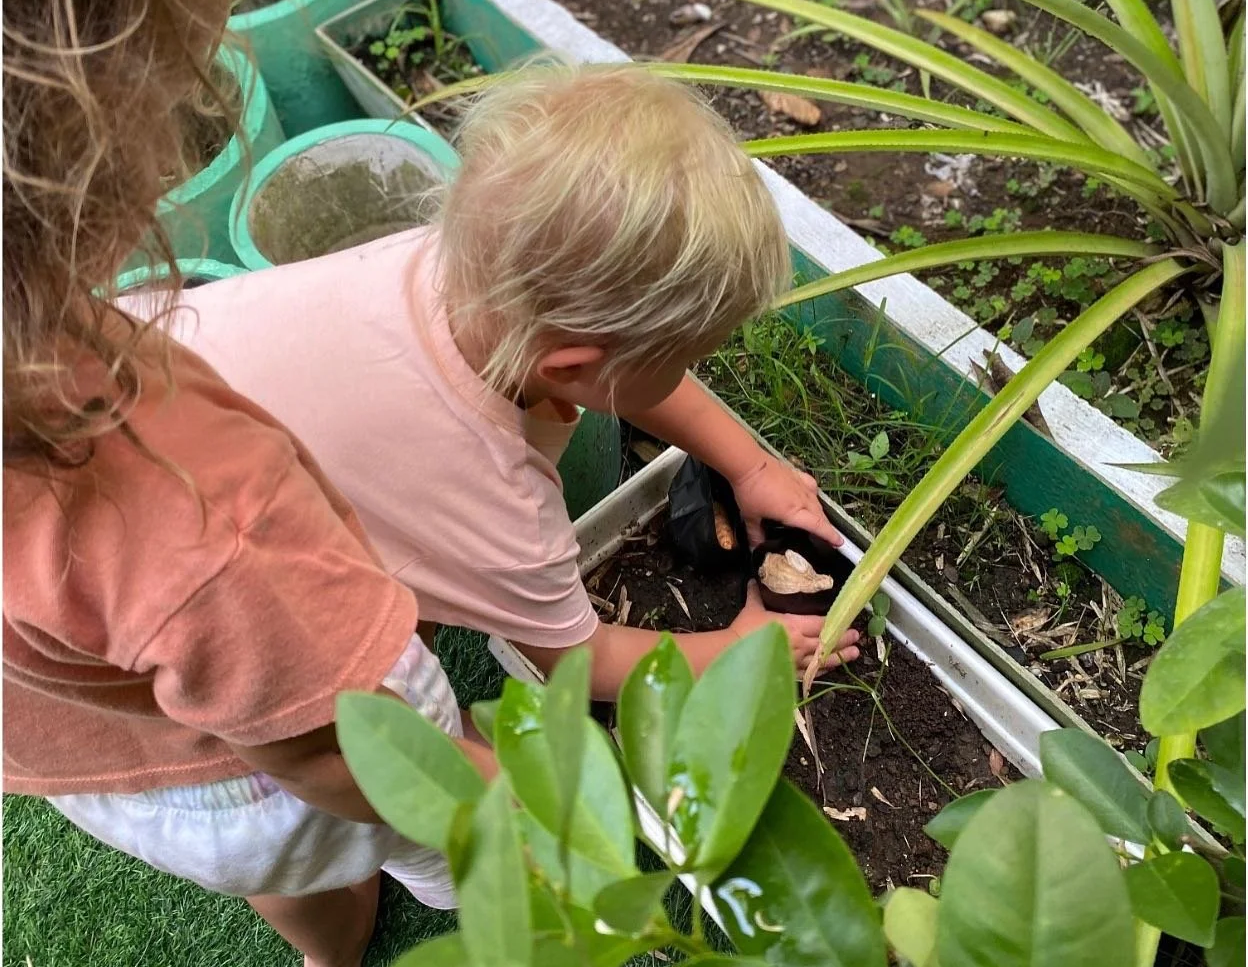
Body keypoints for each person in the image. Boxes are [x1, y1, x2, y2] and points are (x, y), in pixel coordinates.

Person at [1, 0, 491, 967]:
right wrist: (507, 809)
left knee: (279, 866)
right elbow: (349, 746)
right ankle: (452, 902)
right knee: (377, 818)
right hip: (261, 756)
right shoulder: (192, 510)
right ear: (79, 108)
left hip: (90, 764)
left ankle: (326, 956)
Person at [158, 65, 862, 698]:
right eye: (678, 359)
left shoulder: (464, 267)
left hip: (164, 375)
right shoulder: (494, 498)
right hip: (189, 566)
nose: (684, 373)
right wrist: (744, 649)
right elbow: (579, 664)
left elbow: (616, 373)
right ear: (572, 368)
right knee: (378, 679)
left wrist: (749, 462)